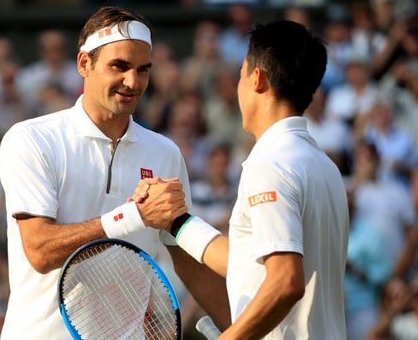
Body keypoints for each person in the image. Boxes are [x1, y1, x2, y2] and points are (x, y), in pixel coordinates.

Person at [0, 6, 230, 339]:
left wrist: (248, 331)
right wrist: (133, 216)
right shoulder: (31, 139)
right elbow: (39, 250)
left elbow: (190, 261)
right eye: (119, 67)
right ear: (84, 64)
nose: (132, 82)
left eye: (143, 70)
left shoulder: (165, 153)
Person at [137, 19, 349, 339]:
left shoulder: (270, 164)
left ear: (257, 79)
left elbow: (285, 282)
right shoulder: (323, 165)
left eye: (240, 75)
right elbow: (248, 263)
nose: (238, 86)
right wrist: (176, 223)